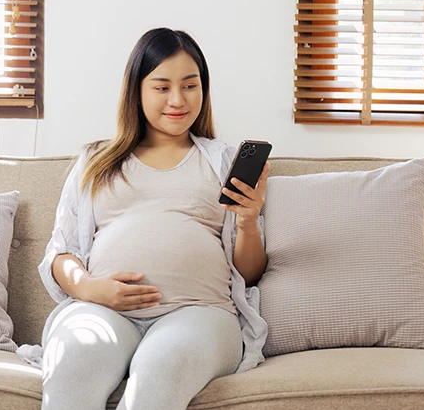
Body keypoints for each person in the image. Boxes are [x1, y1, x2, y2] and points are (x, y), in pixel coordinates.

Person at [17, 27, 270, 410]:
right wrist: (89, 288)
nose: (177, 100)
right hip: (101, 311)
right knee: (72, 365)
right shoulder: (96, 162)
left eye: (190, 85)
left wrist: (249, 221)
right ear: (136, 89)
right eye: (161, 86)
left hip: (200, 313)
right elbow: (61, 252)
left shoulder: (221, 161)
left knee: (160, 368)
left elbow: (249, 274)